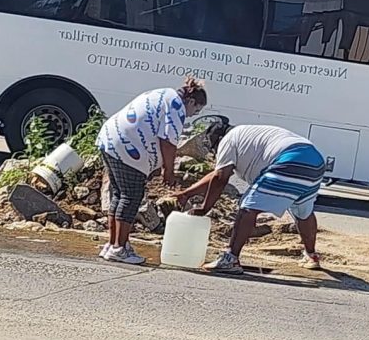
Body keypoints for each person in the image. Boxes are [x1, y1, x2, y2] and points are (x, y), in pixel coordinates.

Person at [176, 122, 326, 274]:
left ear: (217, 139)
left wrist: (204, 208)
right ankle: (311, 256)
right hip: (314, 161)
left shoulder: (228, 140)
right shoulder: (244, 134)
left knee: (247, 207)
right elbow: (216, 174)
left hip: (289, 159)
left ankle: (230, 259)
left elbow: (220, 178)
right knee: (303, 212)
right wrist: (187, 193)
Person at [96, 77, 207, 264]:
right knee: (131, 196)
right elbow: (168, 142)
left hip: (109, 139)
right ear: (191, 101)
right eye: (195, 110)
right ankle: (119, 248)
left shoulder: (163, 94)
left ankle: (113, 244)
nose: (192, 115)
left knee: (119, 194)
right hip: (127, 148)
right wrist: (168, 171)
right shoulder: (176, 107)